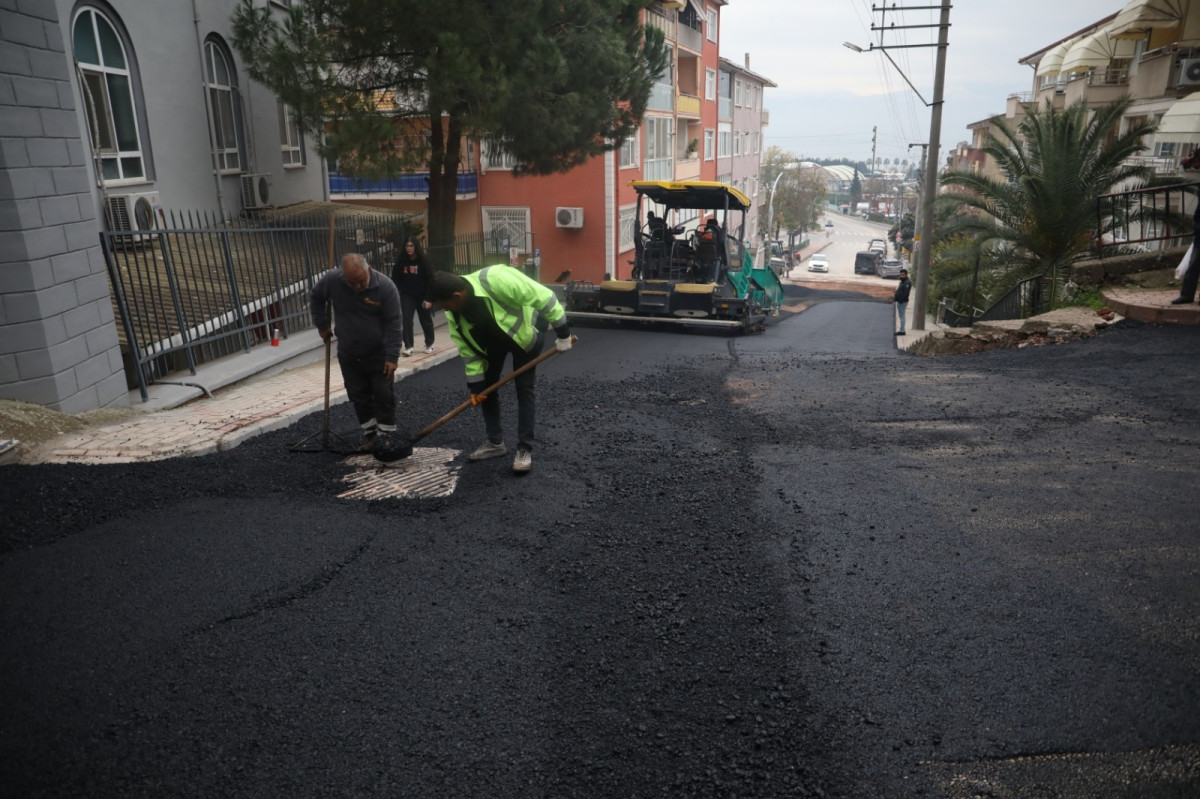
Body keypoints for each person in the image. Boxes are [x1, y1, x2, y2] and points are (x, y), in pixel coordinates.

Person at [426, 265, 573, 474]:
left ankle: (524, 449)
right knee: (487, 389)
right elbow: (467, 349)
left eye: (446, 305)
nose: (446, 310)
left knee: (524, 387)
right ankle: (495, 443)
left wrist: (563, 333)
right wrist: (476, 386)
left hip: (524, 336)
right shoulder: (455, 314)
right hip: (492, 345)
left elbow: (545, 296)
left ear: (457, 295)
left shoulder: (497, 279)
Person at [310, 253, 403, 448]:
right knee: (358, 394)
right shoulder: (332, 280)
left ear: (368, 270)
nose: (357, 287)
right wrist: (322, 325)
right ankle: (370, 436)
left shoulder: (385, 287)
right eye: (352, 283)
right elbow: (316, 297)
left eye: (361, 281)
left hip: (379, 353)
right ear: (344, 276)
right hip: (349, 352)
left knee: (383, 394)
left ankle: (387, 437)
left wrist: (392, 356)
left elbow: (394, 323)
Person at [392, 237, 436, 354]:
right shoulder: (401, 262)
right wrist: (398, 291)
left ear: (416, 247)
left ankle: (429, 343)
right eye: (407, 246)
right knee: (406, 319)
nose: (409, 248)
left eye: (411, 246)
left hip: (422, 295)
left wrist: (428, 298)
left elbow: (430, 280)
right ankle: (409, 346)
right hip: (407, 295)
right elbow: (395, 278)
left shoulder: (423, 261)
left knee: (425, 319)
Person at [893, 267, 912, 336]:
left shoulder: (907, 283)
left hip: (903, 302)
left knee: (902, 316)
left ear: (906, 275)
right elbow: (898, 291)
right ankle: (901, 329)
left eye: (903, 275)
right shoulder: (903, 282)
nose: (901, 276)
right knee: (901, 316)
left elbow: (905, 293)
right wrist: (895, 299)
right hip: (900, 301)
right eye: (900, 275)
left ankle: (902, 330)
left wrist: (900, 300)